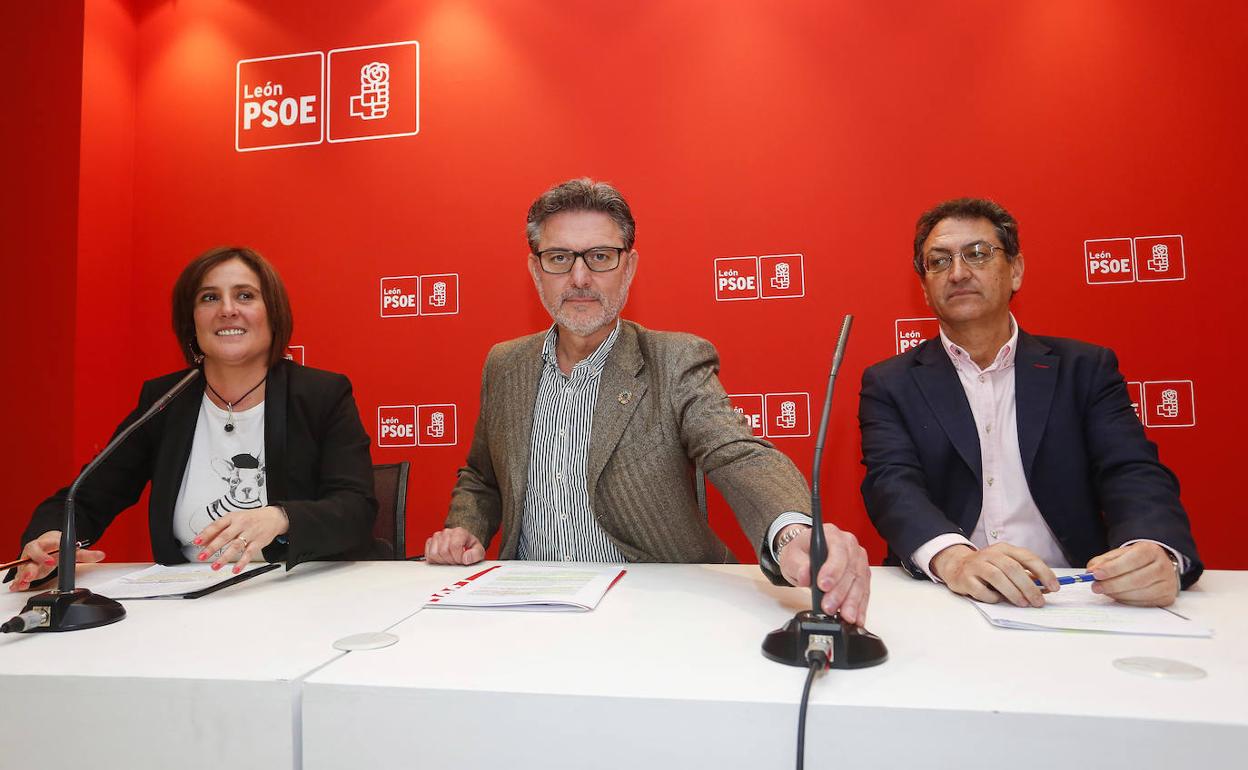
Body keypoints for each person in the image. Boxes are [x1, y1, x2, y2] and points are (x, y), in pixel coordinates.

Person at [424, 178, 870, 623]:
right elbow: (482, 476)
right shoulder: (505, 364)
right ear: (535, 269)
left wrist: (793, 533)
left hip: (655, 608)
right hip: (529, 603)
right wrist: (466, 527)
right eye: (559, 258)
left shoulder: (674, 360)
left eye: (600, 257)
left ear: (630, 267)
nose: (579, 278)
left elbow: (735, 453)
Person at [858, 197, 1201, 609]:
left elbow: (1131, 470)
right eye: (939, 261)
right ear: (925, 289)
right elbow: (892, 486)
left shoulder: (1085, 369)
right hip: (950, 594)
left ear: (1015, 270)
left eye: (978, 254)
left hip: (1075, 592)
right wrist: (954, 559)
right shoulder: (890, 383)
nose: (959, 273)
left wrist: (1154, 549)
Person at [10, 246, 377, 591]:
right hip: (187, 598)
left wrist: (282, 518)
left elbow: (356, 508)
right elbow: (85, 498)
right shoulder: (166, 401)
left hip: (295, 591)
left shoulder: (319, 395)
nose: (228, 309)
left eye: (245, 295)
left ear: (274, 312)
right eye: (209, 297)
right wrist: (52, 538)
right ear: (192, 320)